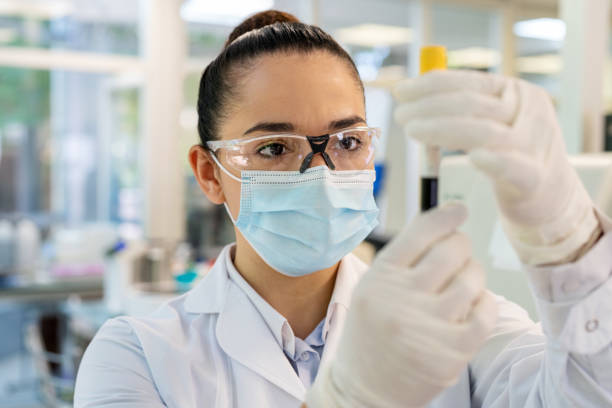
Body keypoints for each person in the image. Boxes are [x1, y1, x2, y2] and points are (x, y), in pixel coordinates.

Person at [74, 10, 612, 408]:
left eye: (346, 141)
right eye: (273, 148)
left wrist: (571, 243)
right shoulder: (136, 356)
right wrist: (351, 396)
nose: (321, 173)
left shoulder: (464, 324)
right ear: (210, 173)